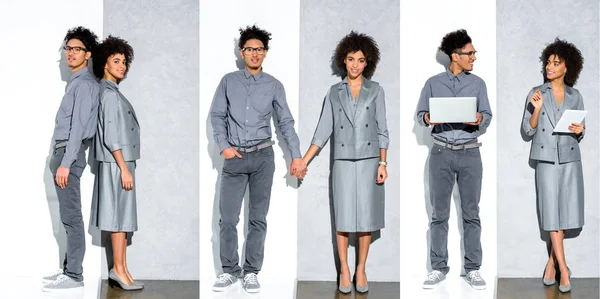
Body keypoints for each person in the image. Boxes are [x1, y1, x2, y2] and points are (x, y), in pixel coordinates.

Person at [209, 25, 305, 294]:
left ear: (265, 53)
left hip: (263, 157)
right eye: (249, 49)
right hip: (235, 158)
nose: (254, 53)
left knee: (258, 218)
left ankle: (251, 272)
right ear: (242, 52)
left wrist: (296, 156)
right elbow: (217, 116)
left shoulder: (274, 85)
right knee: (227, 218)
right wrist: (224, 146)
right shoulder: (228, 81)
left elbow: (285, 123)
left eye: (259, 49)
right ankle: (229, 271)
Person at [295, 31, 388, 294]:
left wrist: (383, 164)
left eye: (360, 60)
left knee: (367, 218)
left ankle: (361, 268)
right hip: (344, 162)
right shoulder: (334, 93)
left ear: (367, 62)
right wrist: (303, 160)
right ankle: (344, 269)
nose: (355, 64)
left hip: (370, 161)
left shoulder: (376, 90)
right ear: (343, 61)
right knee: (344, 219)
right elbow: (323, 131)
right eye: (350, 59)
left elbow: (383, 129)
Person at [415, 29, 492, 290]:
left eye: (473, 53)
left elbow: (487, 116)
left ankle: (473, 269)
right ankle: (438, 268)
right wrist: (428, 119)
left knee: (471, 213)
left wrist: (480, 119)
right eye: (469, 53)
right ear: (454, 56)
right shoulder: (433, 83)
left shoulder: (478, 84)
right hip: (440, 152)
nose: (473, 57)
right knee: (439, 214)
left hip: (471, 152)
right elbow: (420, 115)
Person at [522, 38, 585, 293]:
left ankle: (551, 264)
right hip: (546, 159)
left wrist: (580, 130)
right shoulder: (537, 92)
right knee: (552, 215)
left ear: (566, 67)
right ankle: (564, 270)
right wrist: (536, 109)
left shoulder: (575, 95)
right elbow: (527, 130)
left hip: (570, 158)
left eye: (555, 63)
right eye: (548, 62)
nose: (550, 66)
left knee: (566, 214)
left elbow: (580, 129)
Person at [42, 26, 100, 293]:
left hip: (70, 155)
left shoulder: (86, 85)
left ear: (87, 54)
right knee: (66, 216)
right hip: (64, 154)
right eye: (68, 48)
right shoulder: (75, 84)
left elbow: (78, 128)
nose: (71, 53)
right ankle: (68, 269)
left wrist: (65, 162)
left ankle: (75, 274)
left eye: (77, 49)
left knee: (71, 217)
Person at [89, 35, 143, 291]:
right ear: (104, 64)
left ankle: (120, 268)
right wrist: (123, 168)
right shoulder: (109, 95)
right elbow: (111, 137)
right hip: (116, 163)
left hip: (119, 162)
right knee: (117, 218)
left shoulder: (111, 92)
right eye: (116, 61)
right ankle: (118, 269)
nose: (122, 66)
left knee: (121, 219)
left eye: (124, 61)